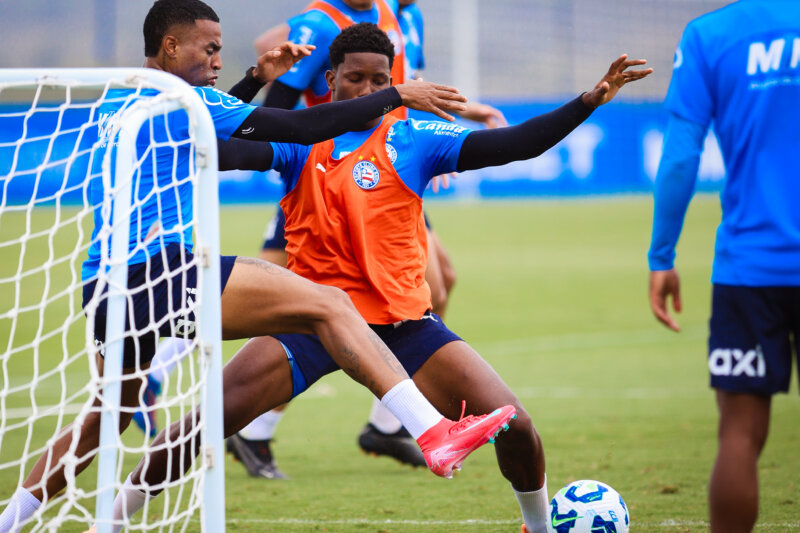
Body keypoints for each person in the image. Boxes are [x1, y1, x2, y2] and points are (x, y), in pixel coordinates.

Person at [112, 22, 651, 533]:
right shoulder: (300, 137)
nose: (368, 89)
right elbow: (222, 147)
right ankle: (111, 520)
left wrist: (587, 101)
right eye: (355, 78)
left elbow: (515, 145)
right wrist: (256, 84)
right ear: (330, 79)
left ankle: (538, 526)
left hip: (403, 324)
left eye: (379, 80)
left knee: (517, 425)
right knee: (199, 428)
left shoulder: (418, 137)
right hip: (310, 321)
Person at [0, 2, 517, 531]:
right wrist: (396, 94)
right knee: (330, 303)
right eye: (210, 48)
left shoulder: (125, 98)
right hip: (160, 269)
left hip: (104, 284)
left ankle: (14, 521)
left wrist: (254, 80)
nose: (217, 59)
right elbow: (302, 126)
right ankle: (431, 430)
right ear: (171, 46)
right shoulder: (186, 99)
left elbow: (203, 128)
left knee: (104, 419)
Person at [647, 2, 800, 532]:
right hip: (748, 267)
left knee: (739, 434)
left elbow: (681, 157)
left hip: (749, 268)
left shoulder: (710, 35)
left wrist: (661, 256)